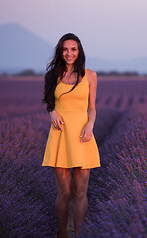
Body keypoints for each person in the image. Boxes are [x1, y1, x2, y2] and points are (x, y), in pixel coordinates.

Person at [42, 33, 100, 238]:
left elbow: (92, 108)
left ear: (79, 51)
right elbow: (50, 104)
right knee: (65, 192)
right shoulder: (51, 76)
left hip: (83, 134)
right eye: (65, 49)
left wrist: (90, 125)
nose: (69, 53)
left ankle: (79, 233)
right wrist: (53, 113)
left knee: (80, 192)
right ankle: (63, 234)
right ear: (60, 51)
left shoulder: (90, 75)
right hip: (60, 135)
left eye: (73, 49)